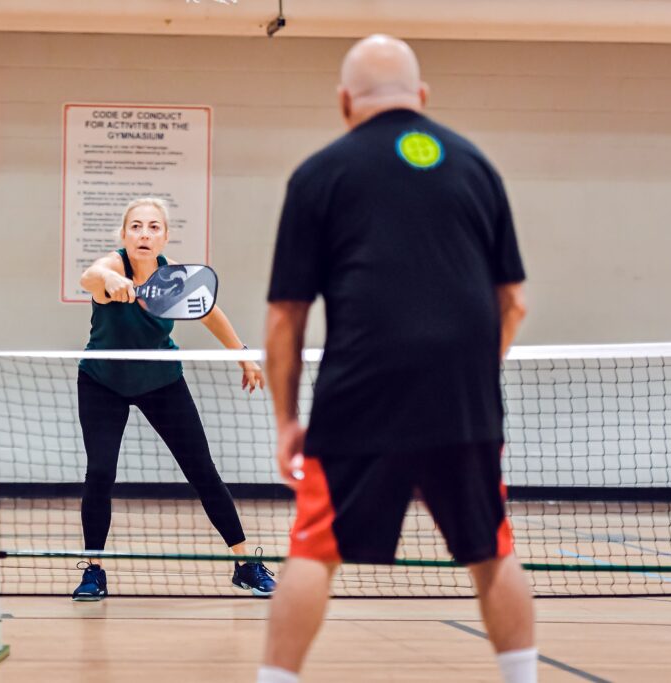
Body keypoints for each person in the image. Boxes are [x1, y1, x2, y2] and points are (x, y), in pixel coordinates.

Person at [259, 35, 534, 683]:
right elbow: (513, 302)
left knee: (313, 548)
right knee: (491, 550)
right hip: (463, 398)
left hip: (362, 392)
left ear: (344, 101)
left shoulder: (320, 173)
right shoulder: (476, 166)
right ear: (423, 96)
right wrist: (468, 375)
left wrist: (285, 419)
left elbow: (284, 316)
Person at [73, 196, 276, 601]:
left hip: (162, 381)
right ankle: (93, 570)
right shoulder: (112, 266)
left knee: (202, 470)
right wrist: (111, 282)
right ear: (124, 234)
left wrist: (242, 355)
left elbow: (209, 311)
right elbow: (91, 277)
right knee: (100, 473)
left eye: (153, 227)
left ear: (164, 236)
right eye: (136, 226)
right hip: (102, 382)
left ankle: (244, 563)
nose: (144, 234)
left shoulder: (174, 279)